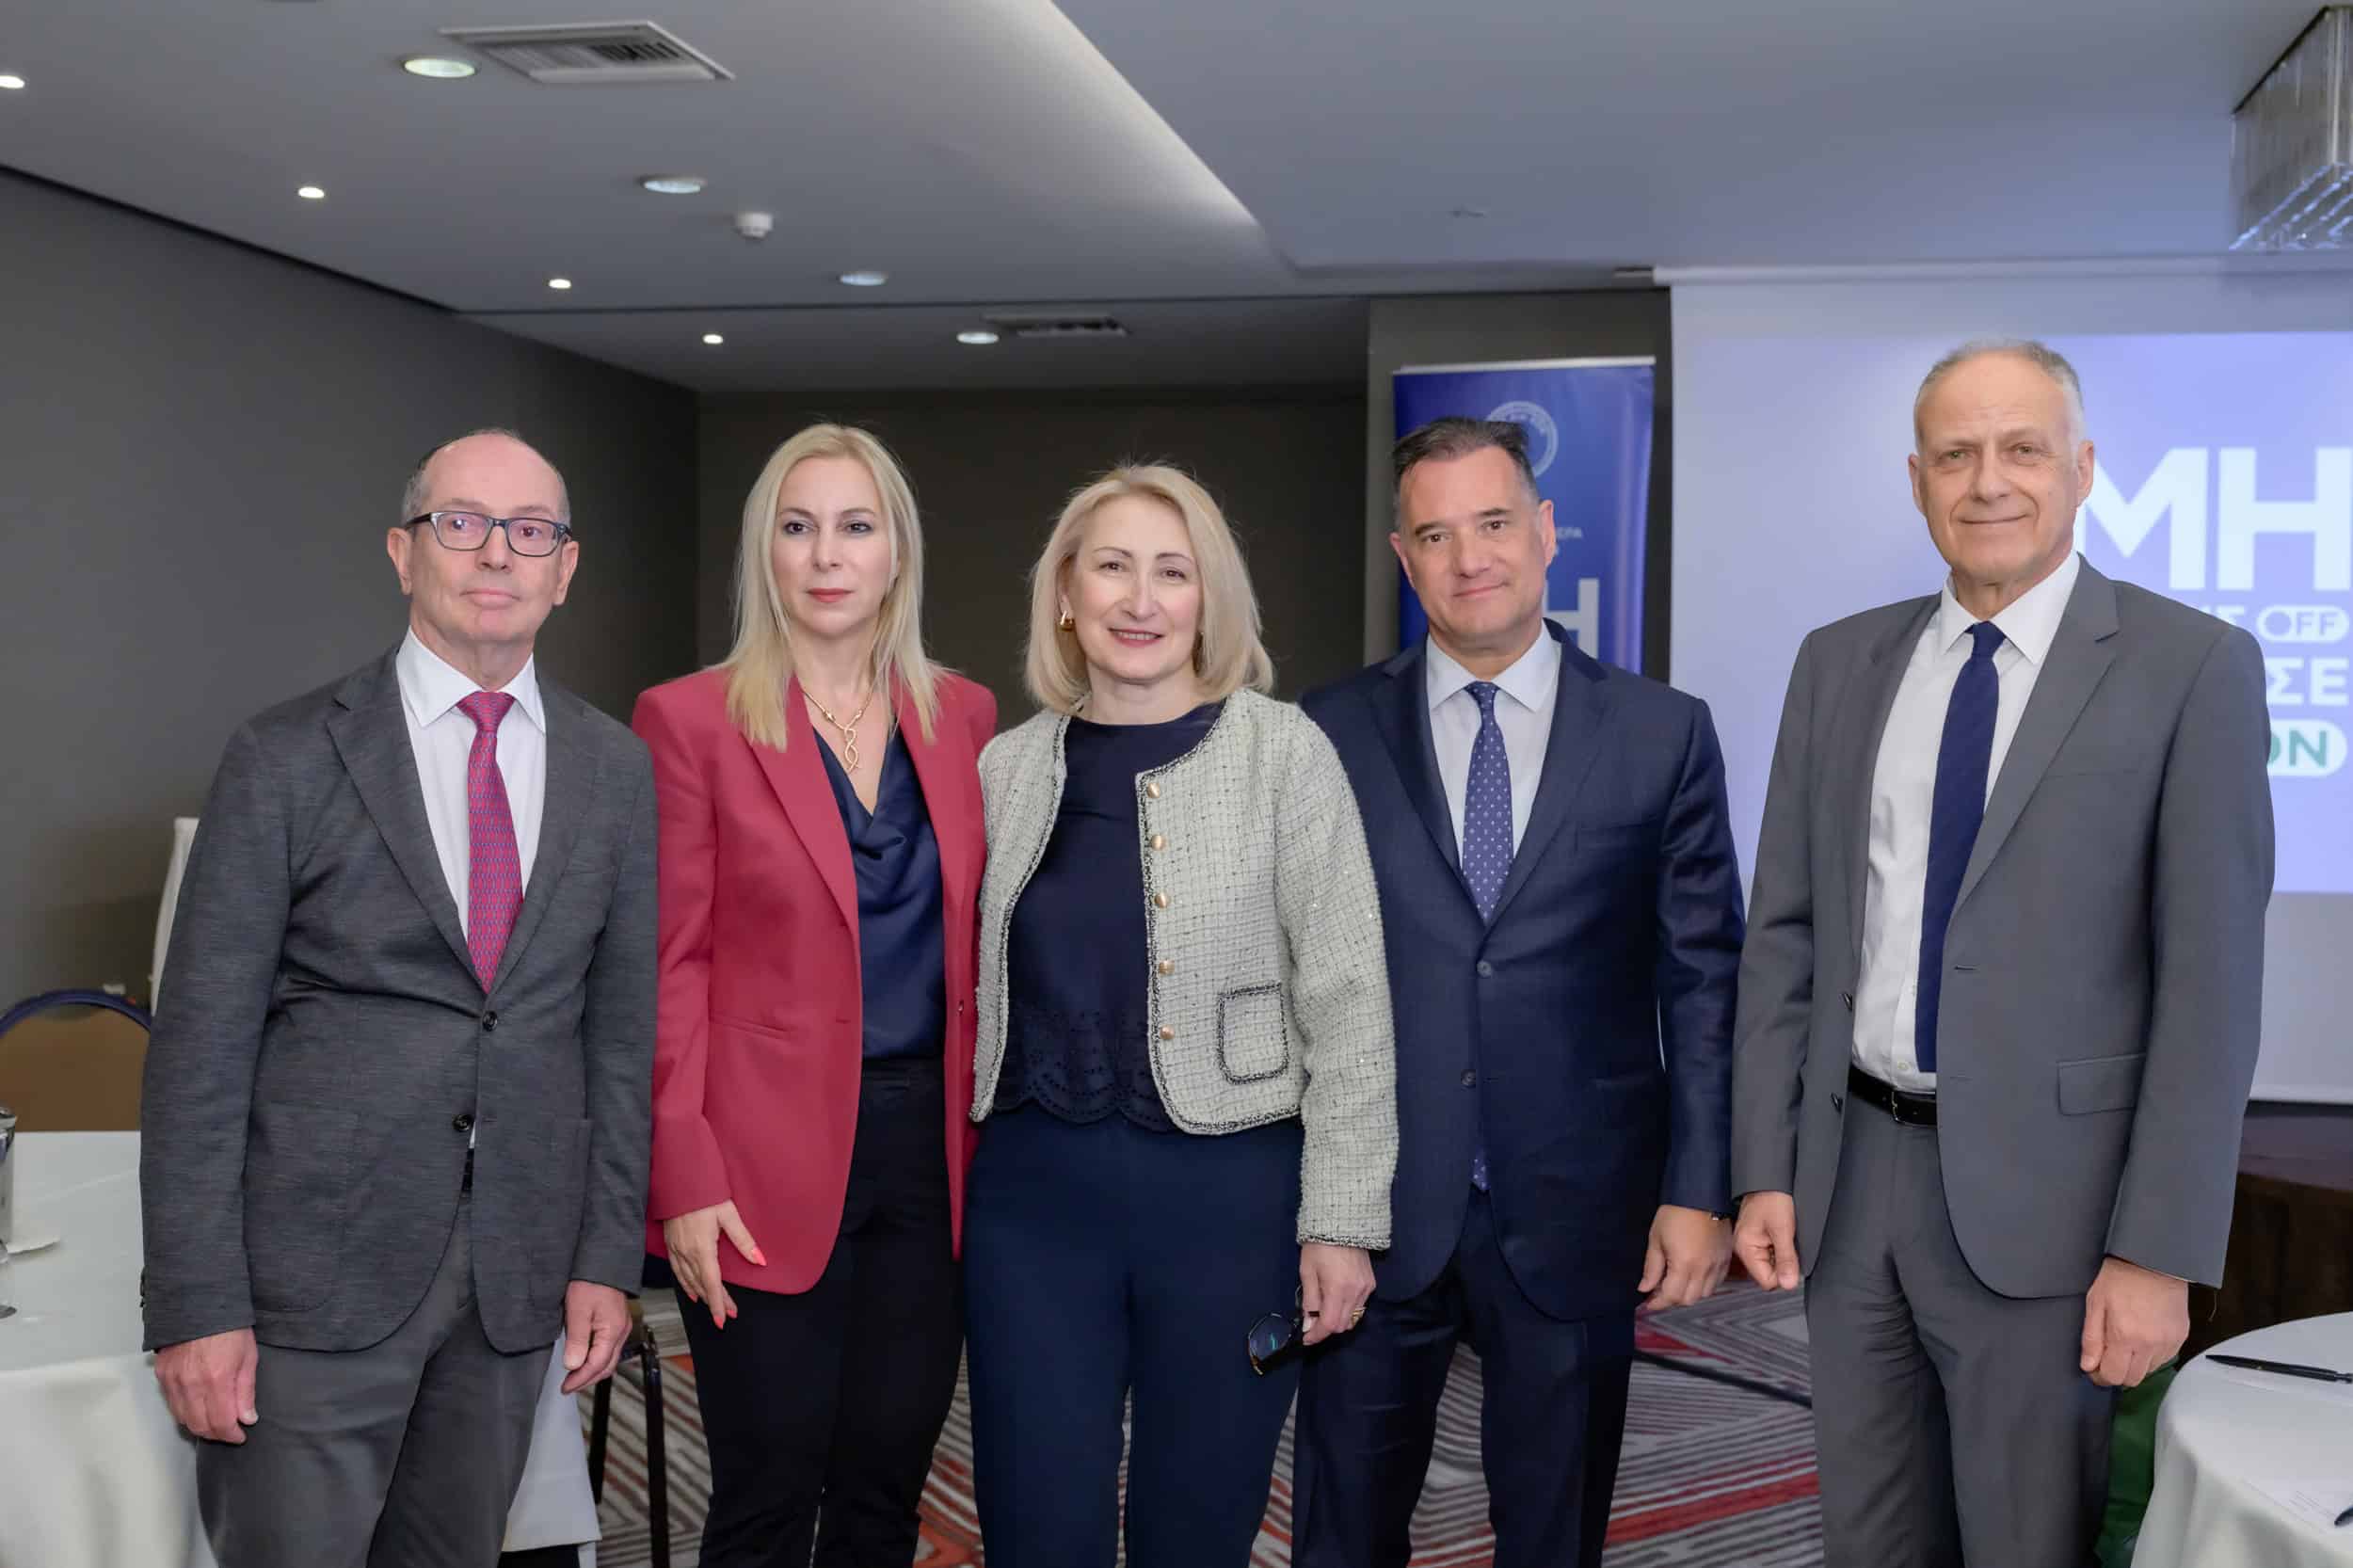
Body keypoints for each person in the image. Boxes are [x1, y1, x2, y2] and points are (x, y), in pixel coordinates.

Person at [1731, 339, 2274, 1564]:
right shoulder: (1838, 661)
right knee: (1871, 1536)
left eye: (2022, 449)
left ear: (2082, 468)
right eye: (1955, 454)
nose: (1988, 481)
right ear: (1916, 479)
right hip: (1851, 1187)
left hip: (2056, 1211)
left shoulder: (2191, 668)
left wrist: (2157, 1250)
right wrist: (1765, 1163)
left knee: (2024, 1541)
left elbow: (2210, 993)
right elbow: (1787, 935)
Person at [139, 429, 655, 1567]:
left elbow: (619, 1041)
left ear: (566, 568)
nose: (496, 554)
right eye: (461, 523)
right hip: (310, 1288)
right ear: (402, 551)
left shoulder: (615, 771)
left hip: (514, 1282)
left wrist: (605, 1256)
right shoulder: (283, 757)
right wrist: (194, 1302)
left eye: (531, 531)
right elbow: (198, 1051)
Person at [1294, 416, 1745, 1568]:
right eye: (1435, 535)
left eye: (1493, 523)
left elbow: (1703, 980)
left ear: (1545, 532)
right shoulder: (1325, 733)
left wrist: (1699, 1189)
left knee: (1554, 1533)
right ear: (1402, 557)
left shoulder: (1661, 732)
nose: (1468, 557)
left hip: (1579, 1203)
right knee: (1342, 1529)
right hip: (1374, 1206)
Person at [963, 464, 1396, 1567]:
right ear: (1066, 593)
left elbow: (1349, 1002)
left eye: (1173, 571)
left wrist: (1342, 1221)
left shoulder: (1284, 752)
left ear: (1210, 600)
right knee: (1034, 1523)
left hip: (1228, 1208)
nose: (1141, 599)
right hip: (1031, 1210)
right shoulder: (1006, 766)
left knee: (1195, 1525)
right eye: (1112, 567)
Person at [632, 424, 995, 1567]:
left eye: (855, 526)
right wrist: (682, 1172)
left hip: (930, 1162)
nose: (826, 555)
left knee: (886, 1492)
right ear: (765, 553)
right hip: (754, 1163)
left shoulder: (966, 717)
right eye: (797, 528)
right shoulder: (689, 720)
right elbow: (666, 966)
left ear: (897, 553)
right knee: (767, 1495)